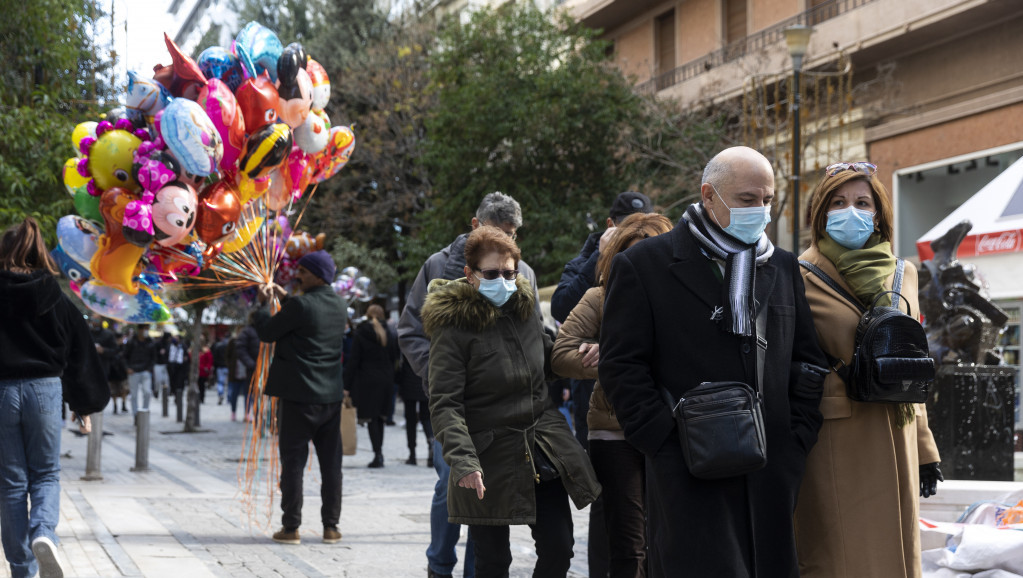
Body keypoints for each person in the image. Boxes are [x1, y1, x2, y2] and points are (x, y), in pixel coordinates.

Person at [598, 146, 829, 577]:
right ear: (708, 195)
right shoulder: (645, 265)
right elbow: (621, 367)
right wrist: (665, 445)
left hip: (770, 474)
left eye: (767, 200)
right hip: (689, 472)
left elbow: (806, 361)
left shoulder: (781, 266)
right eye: (746, 199)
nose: (760, 210)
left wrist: (796, 441)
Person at [424, 226, 601, 577]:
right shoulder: (453, 326)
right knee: (492, 562)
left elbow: (550, 360)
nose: (503, 281)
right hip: (485, 453)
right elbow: (445, 402)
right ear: (470, 275)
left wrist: (584, 358)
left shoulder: (524, 309)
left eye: (509, 273)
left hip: (540, 445)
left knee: (559, 547)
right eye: (491, 274)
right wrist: (463, 460)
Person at [793, 161, 942, 578]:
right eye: (838, 203)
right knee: (837, 557)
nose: (851, 211)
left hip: (898, 430)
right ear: (820, 213)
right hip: (835, 439)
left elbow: (910, 361)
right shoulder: (796, 274)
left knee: (896, 555)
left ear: (879, 212)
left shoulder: (903, 272)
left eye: (862, 202)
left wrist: (926, 450)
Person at [398, 191, 541, 578]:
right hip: (454, 406)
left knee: (489, 494)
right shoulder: (438, 265)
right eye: (499, 231)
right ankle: (439, 565)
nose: (506, 241)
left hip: (504, 413)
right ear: (476, 225)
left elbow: (535, 338)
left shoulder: (522, 272)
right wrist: (440, 375)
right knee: (452, 480)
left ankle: (478, 571)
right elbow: (410, 331)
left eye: (512, 233)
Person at [552, 212, 672, 578]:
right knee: (628, 542)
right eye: (630, 255)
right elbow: (561, 355)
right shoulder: (601, 297)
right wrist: (608, 357)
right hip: (613, 429)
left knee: (667, 536)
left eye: (649, 253)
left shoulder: (683, 298)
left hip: (673, 428)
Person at [0, 217, 110, 578]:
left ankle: (22, 570)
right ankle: (44, 533)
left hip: (2, 392)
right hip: (45, 389)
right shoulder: (55, 297)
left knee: (12, 482)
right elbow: (80, 349)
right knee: (45, 474)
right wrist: (84, 403)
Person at [254, 250, 347, 545]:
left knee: (293, 463)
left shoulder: (300, 305)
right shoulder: (340, 305)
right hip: (330, 397)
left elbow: (268, 332)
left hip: (298, 397)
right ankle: (331, 526)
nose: (298, 276)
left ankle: (291, 527)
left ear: (318, 275)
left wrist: (262, 305)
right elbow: (307, 318)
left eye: (303, 272)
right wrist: (287, 299)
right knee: (332, 466)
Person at [344, 304, 399, 468]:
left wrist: (346, 384)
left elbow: (354, 360)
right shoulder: (389, 332)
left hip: (368, 381)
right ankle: (379, 452)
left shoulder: (361, 332)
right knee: (381, 417)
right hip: (386, 379)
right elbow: (395, 357)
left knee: (371, 419)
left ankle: (378, 454)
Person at [397, 352, 433, 466]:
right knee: (426, 419)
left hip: (408, 381)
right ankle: (431, 444)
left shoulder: (408, 337)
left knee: (410, 421)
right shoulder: (430, 338)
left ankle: (412, 455)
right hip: (425, 381)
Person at [124, 324, 156, 415]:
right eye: (145, 329)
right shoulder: (131, 342)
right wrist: (127, 368)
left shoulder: (151, 342)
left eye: (147, 329)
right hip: (133, 371)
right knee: (133, 395)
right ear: (140, 330)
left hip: (145, 371)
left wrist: (149, 369)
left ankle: (144, 413)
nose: (146, 331)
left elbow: (153, 358)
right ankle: (136, 416)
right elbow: (124, 356)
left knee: (147, 392)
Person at [212, 333, 229, 404]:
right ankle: (229, 398)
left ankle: (221, 394)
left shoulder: (218, 347)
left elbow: (215, 358)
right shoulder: (229, 347)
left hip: (220, 367)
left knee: (220, 382)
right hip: (227, 367)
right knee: (229, 383)